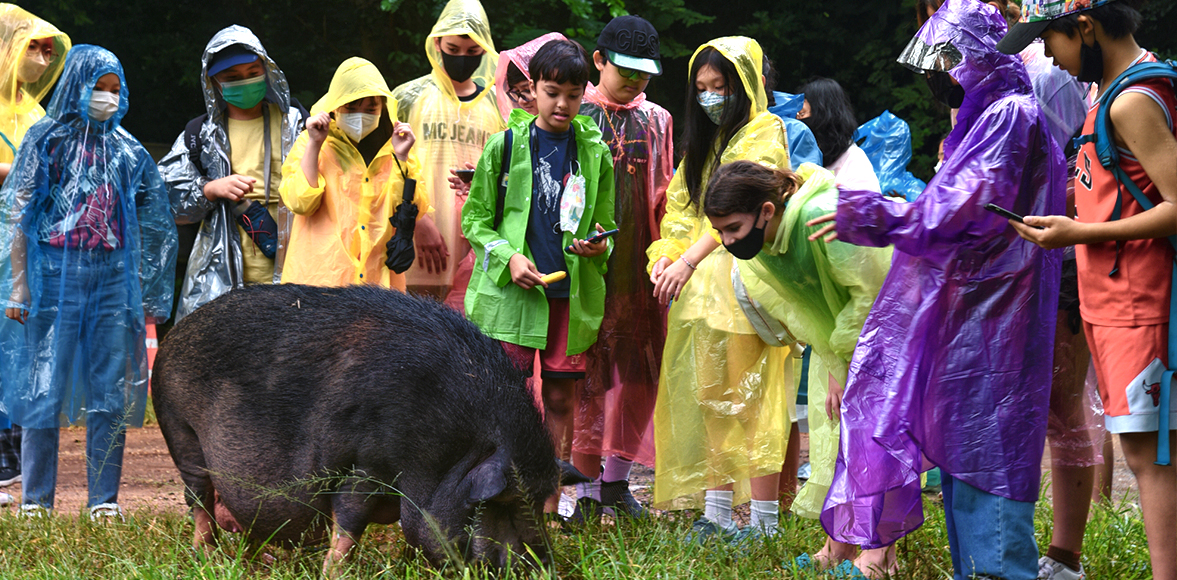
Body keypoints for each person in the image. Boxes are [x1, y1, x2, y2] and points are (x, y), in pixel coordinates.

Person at [809, 1, 1066, 578]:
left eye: (950, 61)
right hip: (975, 317)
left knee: (987, 454)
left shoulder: (1011, 116)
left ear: (979, 56)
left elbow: (959, 209)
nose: (940, 78)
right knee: (962, 448)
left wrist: (876, 214)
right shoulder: (989, 118)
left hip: (995, 319)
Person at [1000, 1, 1177, 578]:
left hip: (1140, 304)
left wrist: (1084, 232)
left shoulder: (1131, 100)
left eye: (1051, 39)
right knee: (1144, 452)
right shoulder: (1104, 94)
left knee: (1152, 461)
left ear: (1085, 27)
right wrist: (1063, 221)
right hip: (1111, 300)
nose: (1048, 53)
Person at [0, 45, 178, 518]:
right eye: (98, 87)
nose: (107, 98)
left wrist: (152, 292)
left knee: (109, 390)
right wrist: (19, 285)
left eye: (114, 89)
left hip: (113, 277)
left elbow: (156, 222)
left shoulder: (128, 151)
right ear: (75, 84)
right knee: (43, 384)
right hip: (54, 272)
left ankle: (104, 500)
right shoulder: (46, 141)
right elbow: (19, 215)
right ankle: (35, 500)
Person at [705, 160, 891, 558]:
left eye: (733, 228)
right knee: (838, 437)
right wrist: (838, 363)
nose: (726, 241)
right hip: (839, 343)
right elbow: (803, 309)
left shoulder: (820, 216)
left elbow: (872, 292)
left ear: (766, 211)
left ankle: (879, 556)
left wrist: (850, 366)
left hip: (885, 334)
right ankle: (839, 546)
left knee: (879, 442)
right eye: (718, 232)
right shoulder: (770, 241)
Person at [461, 38, 616, 515]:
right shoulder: (504, 146)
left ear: (584, 94)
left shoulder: (595, 154)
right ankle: (494, 491)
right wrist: (509, 257)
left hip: (567, 295)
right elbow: (475, 220)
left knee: (558, 397)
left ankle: (547, 501)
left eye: (573, 94)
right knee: (504, 394)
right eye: (552, 92)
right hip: (511, 296)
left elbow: (605, 227)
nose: (562, 104)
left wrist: (597, 244)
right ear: (532, 90)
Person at [646, 36, 791, 543]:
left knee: (753, 403)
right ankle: (718, 514)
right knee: (713, 400)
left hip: (746, 288)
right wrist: (665, 254)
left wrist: (686, 258)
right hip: (702, 297)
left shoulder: (762, 131)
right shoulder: (702, 142)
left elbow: (736, 209)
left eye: (720, 86)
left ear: (745, 84)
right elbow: (681, 208)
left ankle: (766, 524)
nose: (710, 97)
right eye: (701, 88)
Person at [569, 15, 672, 521]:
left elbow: (664, 192)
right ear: (599, 60)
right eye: (624, 68)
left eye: (644, 72)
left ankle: (616, 483)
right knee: (585, 377)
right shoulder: (574, 111)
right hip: (583, 268)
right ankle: (585, 491)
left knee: (634, 374)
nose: (634, 80)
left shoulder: (659, 120)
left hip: (638, 269)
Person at [159, 26, 307, 322]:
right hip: (220, 284)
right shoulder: (199, 135)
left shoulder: (298, 124)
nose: (247, 82)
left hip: (297, 277)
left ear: (268, 70)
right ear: (213, 82)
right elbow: (162, 197)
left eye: (254, 72)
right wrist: (209, 189)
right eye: (233, 78)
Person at [0, 3, 69, 509]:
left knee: (24, 349)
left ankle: (15, 463)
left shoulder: (38, 113)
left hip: (29, 249)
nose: (42, 59)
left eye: (49, 50)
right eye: (34, 48)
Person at [393, 0, 503, 302]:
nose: (462, 59)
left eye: (472, 52)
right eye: (453, 50)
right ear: (437, 42)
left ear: (484, 49)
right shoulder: (408, 97)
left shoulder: (498, 104)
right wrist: (417, 220)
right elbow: (389, 166)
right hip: (416, 236)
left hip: (477, 243)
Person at [279, 57, 420, 289]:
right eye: (351, 108)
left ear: (382, 106)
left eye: (370, 108)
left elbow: (409, 210)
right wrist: (315, 144)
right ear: (335, 106)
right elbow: (299, 203)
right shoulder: (311, 142)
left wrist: (401, 159)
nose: (360, 115)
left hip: (378, 286)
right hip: (319, 283)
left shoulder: (397, 146)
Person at [796, 77, 881, 193]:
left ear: (822, 112)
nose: (797, 116)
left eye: (802, 112)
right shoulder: (802, 155)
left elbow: (867, 206)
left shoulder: (854, 160)